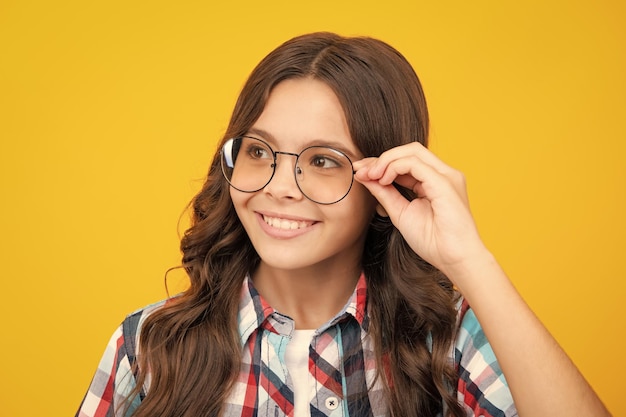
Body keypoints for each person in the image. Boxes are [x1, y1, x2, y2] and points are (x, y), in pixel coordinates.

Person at [76, 32, 610, 417]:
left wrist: (471, 261)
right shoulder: (147, 346)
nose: (280, 186)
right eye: (261, 151)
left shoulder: (449, 341)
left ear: (385, 185)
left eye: (323, 160)